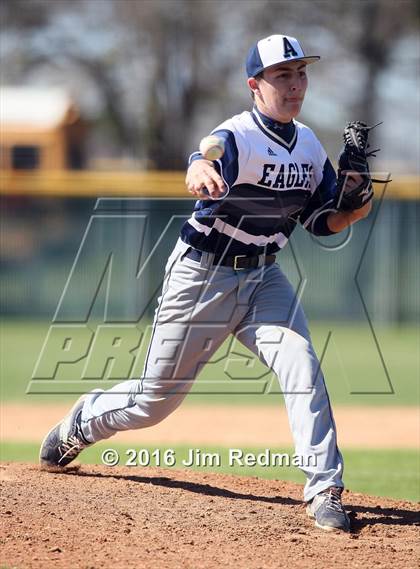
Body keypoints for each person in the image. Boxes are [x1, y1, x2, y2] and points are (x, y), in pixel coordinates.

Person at [40, 34, 374, 533]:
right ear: (255, 86)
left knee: (302, 363)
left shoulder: (308, 145)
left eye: (301, 73)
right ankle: (85, 420)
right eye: (282, 75)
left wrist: (355, 201)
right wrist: (198, 167)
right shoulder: (237, 135)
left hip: (264, 278)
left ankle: (324, 488)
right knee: (155, 403)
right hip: (202, 277)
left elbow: (323, 222)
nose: (295, 84)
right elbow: (208, 153)